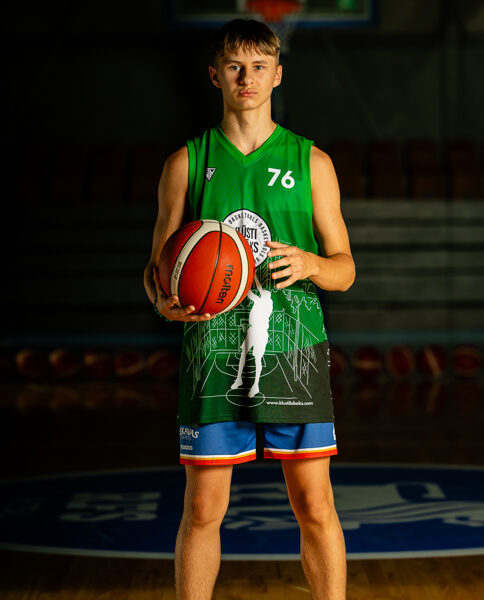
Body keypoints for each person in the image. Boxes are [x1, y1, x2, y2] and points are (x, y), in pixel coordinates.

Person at [143, 18, 355, 600]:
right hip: (212, 349)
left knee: (315, 503)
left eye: (259, 67)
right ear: (215, 75)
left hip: (294, 348)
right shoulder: (186, 163)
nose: (247, 78)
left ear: (277, 75)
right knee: (203, 508)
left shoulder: (312, 162)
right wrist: (165, 303)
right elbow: (155, 268)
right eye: (235, 67)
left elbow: (345, 269)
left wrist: (310, 264)